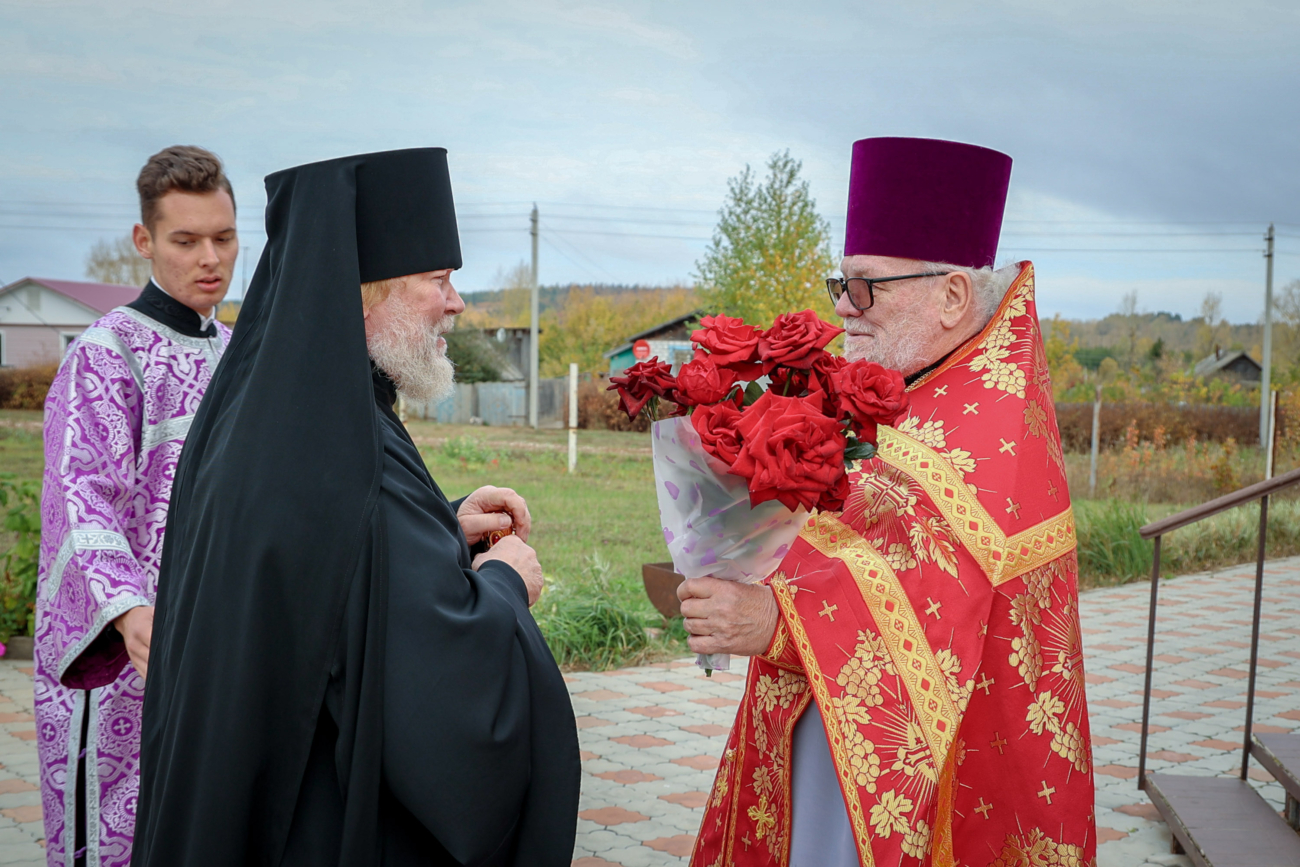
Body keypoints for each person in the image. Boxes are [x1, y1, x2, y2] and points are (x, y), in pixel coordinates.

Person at [132, 148, 580, 867]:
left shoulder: (271, 411)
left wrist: (444, 521)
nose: (456, 301)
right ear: (365, 291)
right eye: (438, 278)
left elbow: (327, 559)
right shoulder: (344, 442)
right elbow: (434, 679)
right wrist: (505, 582)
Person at [681, 137, 1095, 866]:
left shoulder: (992, 419)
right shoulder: (910, 388)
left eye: (867, 285)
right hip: (833, 728)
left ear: (952, 296)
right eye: (841, 282)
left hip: (945, 769)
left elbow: (936, 594)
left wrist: (776, 620)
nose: (844, 305)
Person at [35, 145, 238, 867]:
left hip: (220, 648)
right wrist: (127, 610)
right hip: (128, 653)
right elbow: (80, 497)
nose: (209, 257)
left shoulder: (239, 354)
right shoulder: (105, 353)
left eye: (224, 236)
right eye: (185, 241)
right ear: (144, 242)